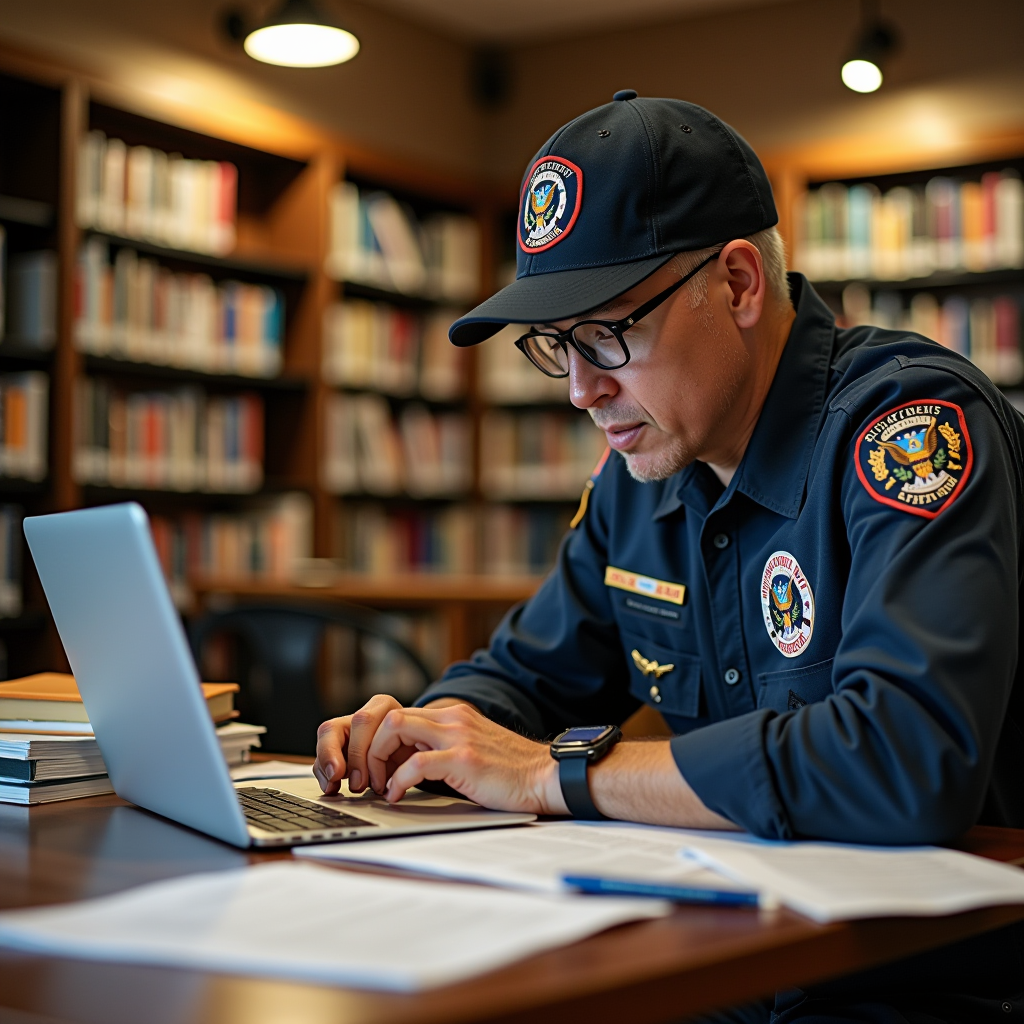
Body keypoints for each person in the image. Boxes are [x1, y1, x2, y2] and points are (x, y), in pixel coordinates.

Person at [314, 91, 1024, 1021]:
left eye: (609, 333)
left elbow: (901, 761)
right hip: (730, 951)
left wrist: (546, 774)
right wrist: (430, 731)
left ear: (736, 284)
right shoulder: (639, 474)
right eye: (555, 346)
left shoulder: (910, 432)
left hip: (929, 982)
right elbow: (528, 674)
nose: (580, 389)